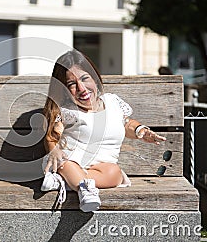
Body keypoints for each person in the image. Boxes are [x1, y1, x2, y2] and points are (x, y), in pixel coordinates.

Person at [40, 50, 166, 212]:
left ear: (95, 78)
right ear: (64, 89)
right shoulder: (68, 111)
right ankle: (84, 188)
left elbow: (126, 123)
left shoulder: (112, 102)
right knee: (67, 164)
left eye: (85, 79)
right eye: (72, 84)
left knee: (115, 173)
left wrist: (140, 130)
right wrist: (55, 150)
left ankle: (68, 182)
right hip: (67, 162)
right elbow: (52, 134)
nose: (82, 88)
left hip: (100, 170)